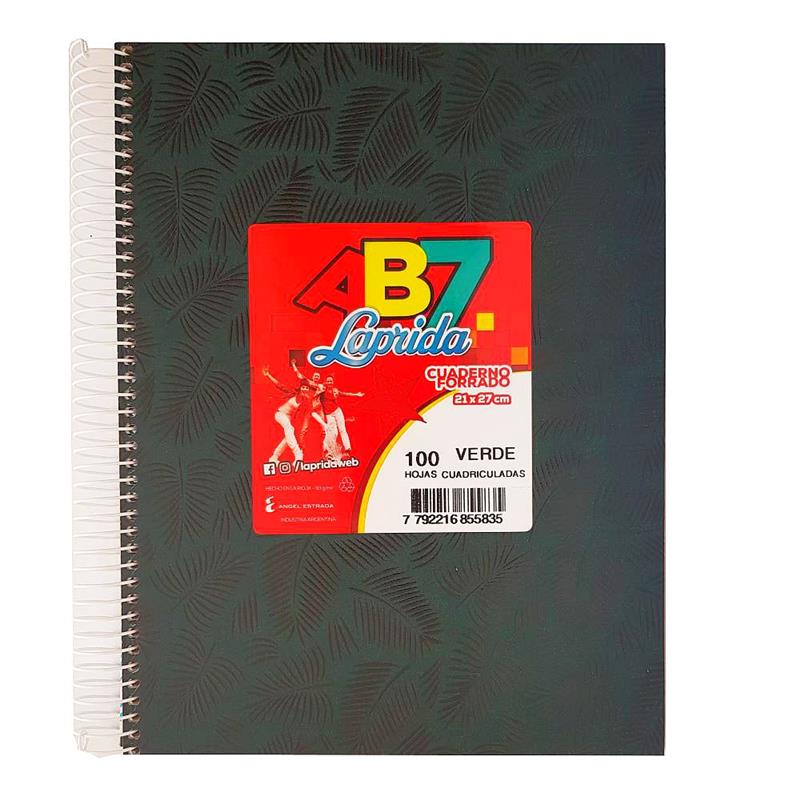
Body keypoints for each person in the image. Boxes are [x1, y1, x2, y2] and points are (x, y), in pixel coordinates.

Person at [262, 362, 322, 462]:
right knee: (289, 428)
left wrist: (323, 423)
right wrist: (268, 375)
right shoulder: (292, 393)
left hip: (288, 419)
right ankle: (298, 454)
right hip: (280, 414)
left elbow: (311, 412)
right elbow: (279, 385)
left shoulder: (306, 401)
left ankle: (274, 457)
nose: (305, 389)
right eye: (303, 387)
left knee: (289, 435)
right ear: (300, 388)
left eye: (307, 388)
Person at [316, 375, 364, 458]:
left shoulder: (335, 390)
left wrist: (356, 394)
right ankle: (327, 450)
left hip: (337, 411)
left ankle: (348, 449)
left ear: (333, 382)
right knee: (333, 432)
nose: (329, 382)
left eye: (331, 381)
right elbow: (314, 391)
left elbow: (345, 394)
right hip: (329, 414)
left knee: (342, 430)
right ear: (326, 382)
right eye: (328, 381)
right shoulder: (322, 390)